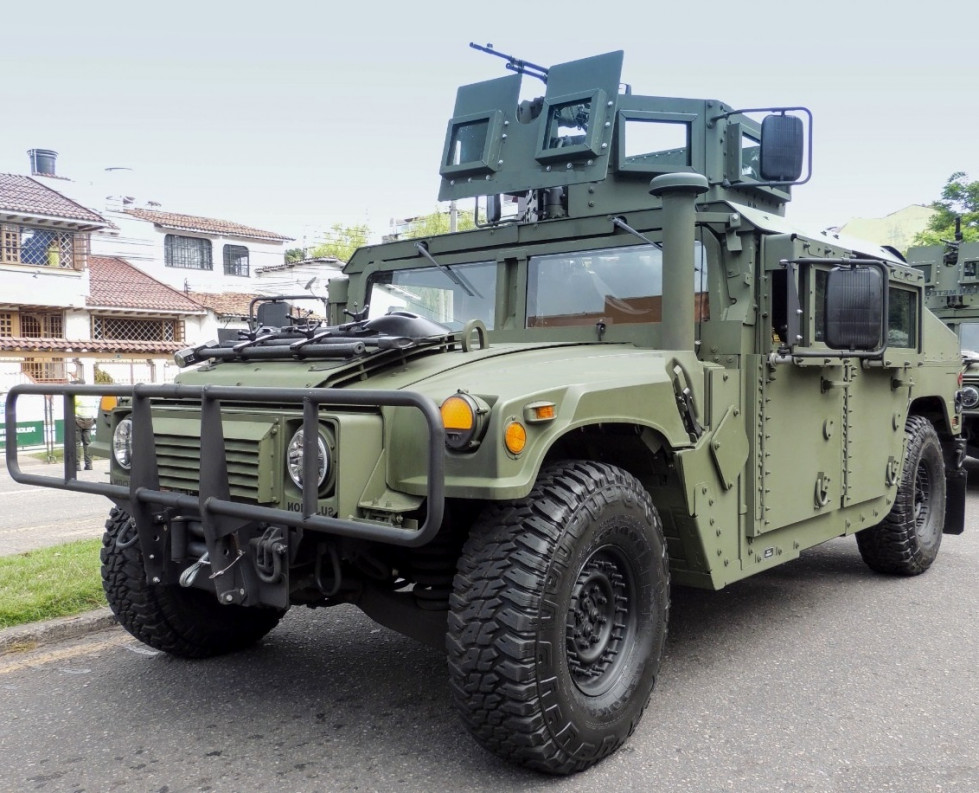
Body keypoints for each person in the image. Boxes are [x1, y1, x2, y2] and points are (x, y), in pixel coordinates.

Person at [74, 395, 99, 471]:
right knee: (87, 443)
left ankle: (77, 465)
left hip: (78, 420)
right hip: (89, 420)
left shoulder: (76, 396)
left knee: (76, 443)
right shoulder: (90, 395)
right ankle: (89, 465)